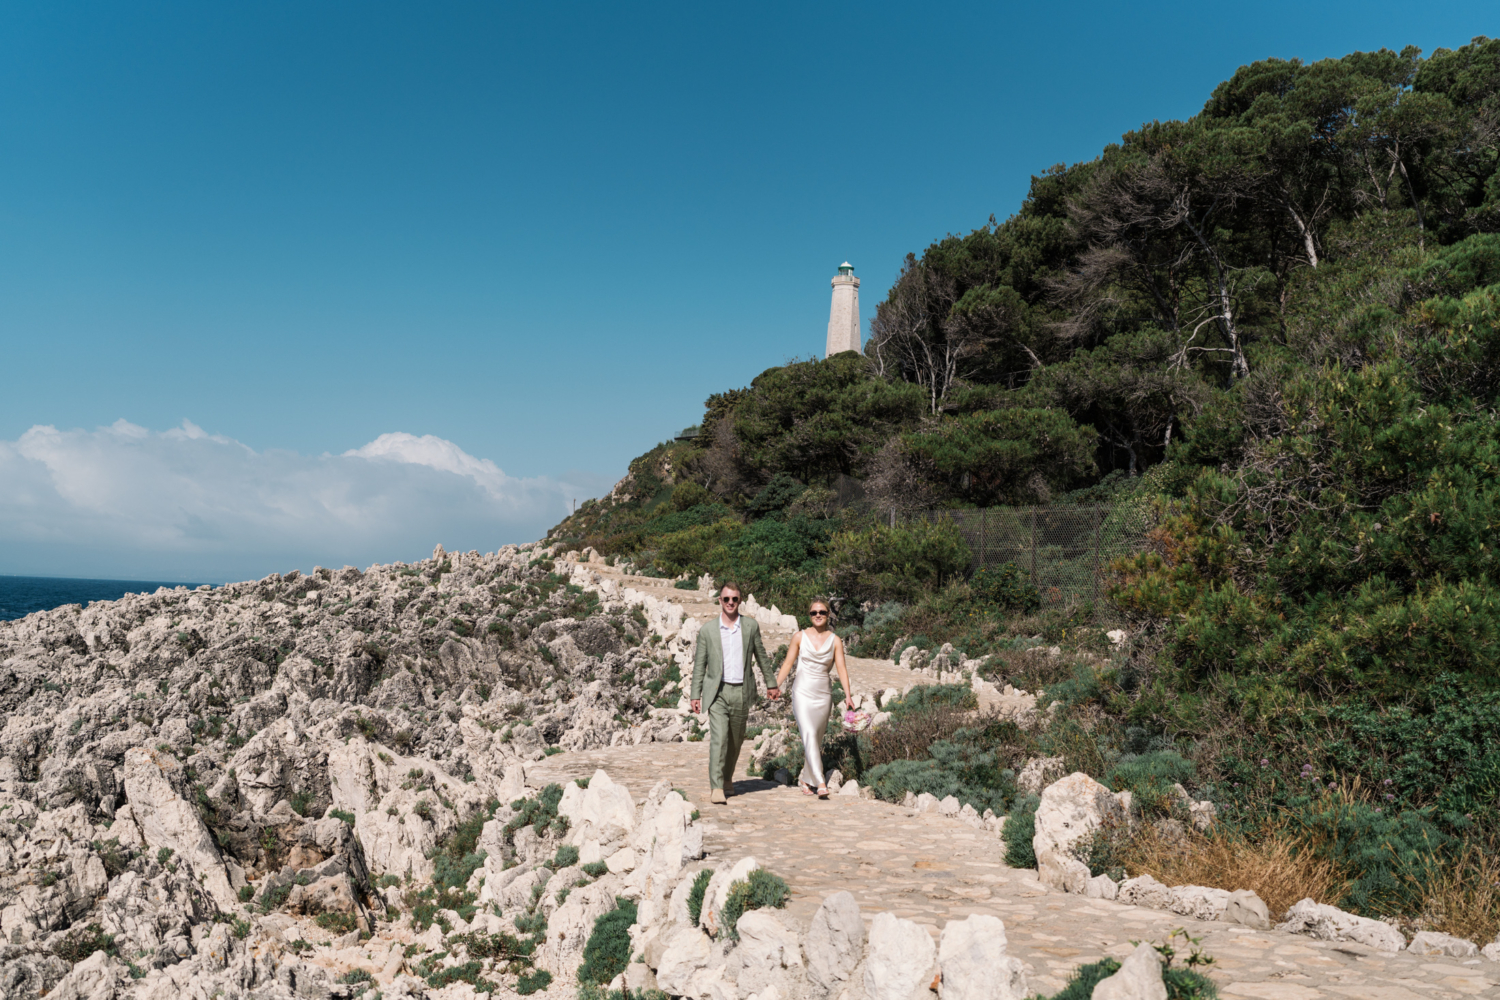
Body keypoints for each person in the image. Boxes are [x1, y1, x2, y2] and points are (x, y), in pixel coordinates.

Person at [690, 582, 779, 804]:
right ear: (720, 600)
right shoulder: (708, 630)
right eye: (726, 599)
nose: (730, 603)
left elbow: (761, 657)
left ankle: (728, 778)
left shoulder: (750, 627)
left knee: (736, 740)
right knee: (719, 740)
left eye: (735, 599)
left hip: (741, 690)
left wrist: (771, 683)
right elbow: (699, 665)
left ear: (740, 601)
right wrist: (695, 694)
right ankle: (717, 786)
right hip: (717, 692)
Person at [774, 598, 853, 799]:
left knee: (815, 738)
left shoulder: (835, 640)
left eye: (822, 612)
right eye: (814, 613)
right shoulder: (799, 637)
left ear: (828, 615)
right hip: (802, 691)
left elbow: (842, 669)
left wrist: (848, 695)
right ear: (809, 615)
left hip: (823, 694)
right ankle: (820, 782)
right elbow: (788, 663)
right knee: (808, 732)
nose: (818, 615)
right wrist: (775, 685)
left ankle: (806, 780)